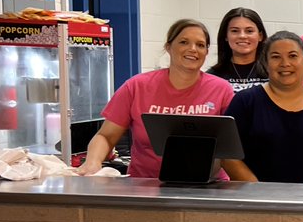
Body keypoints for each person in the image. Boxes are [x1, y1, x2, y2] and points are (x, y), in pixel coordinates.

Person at [76, 19, 234, 178]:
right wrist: (93, 162)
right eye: (184, 42)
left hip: (208, 187)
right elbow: (106, 136)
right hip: (147, 185)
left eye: (200, 45)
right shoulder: (136, 86)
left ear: (206, 52)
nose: (192, 49)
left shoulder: (222, 90)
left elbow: (233, 146)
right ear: (168, 47)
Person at [222, 31, 303, 184]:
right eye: (275, 57)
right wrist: (260, 193)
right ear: (265, 64)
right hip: (254, 201)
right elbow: (228, 155)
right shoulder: (245, 102)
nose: (285, 63)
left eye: (293, 56)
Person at [207, 7, 269, 93]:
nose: (242, 36)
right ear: (226, 36)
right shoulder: (212, 77)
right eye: (235, 31)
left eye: (249, 31)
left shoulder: (273, 73)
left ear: (260, 36)